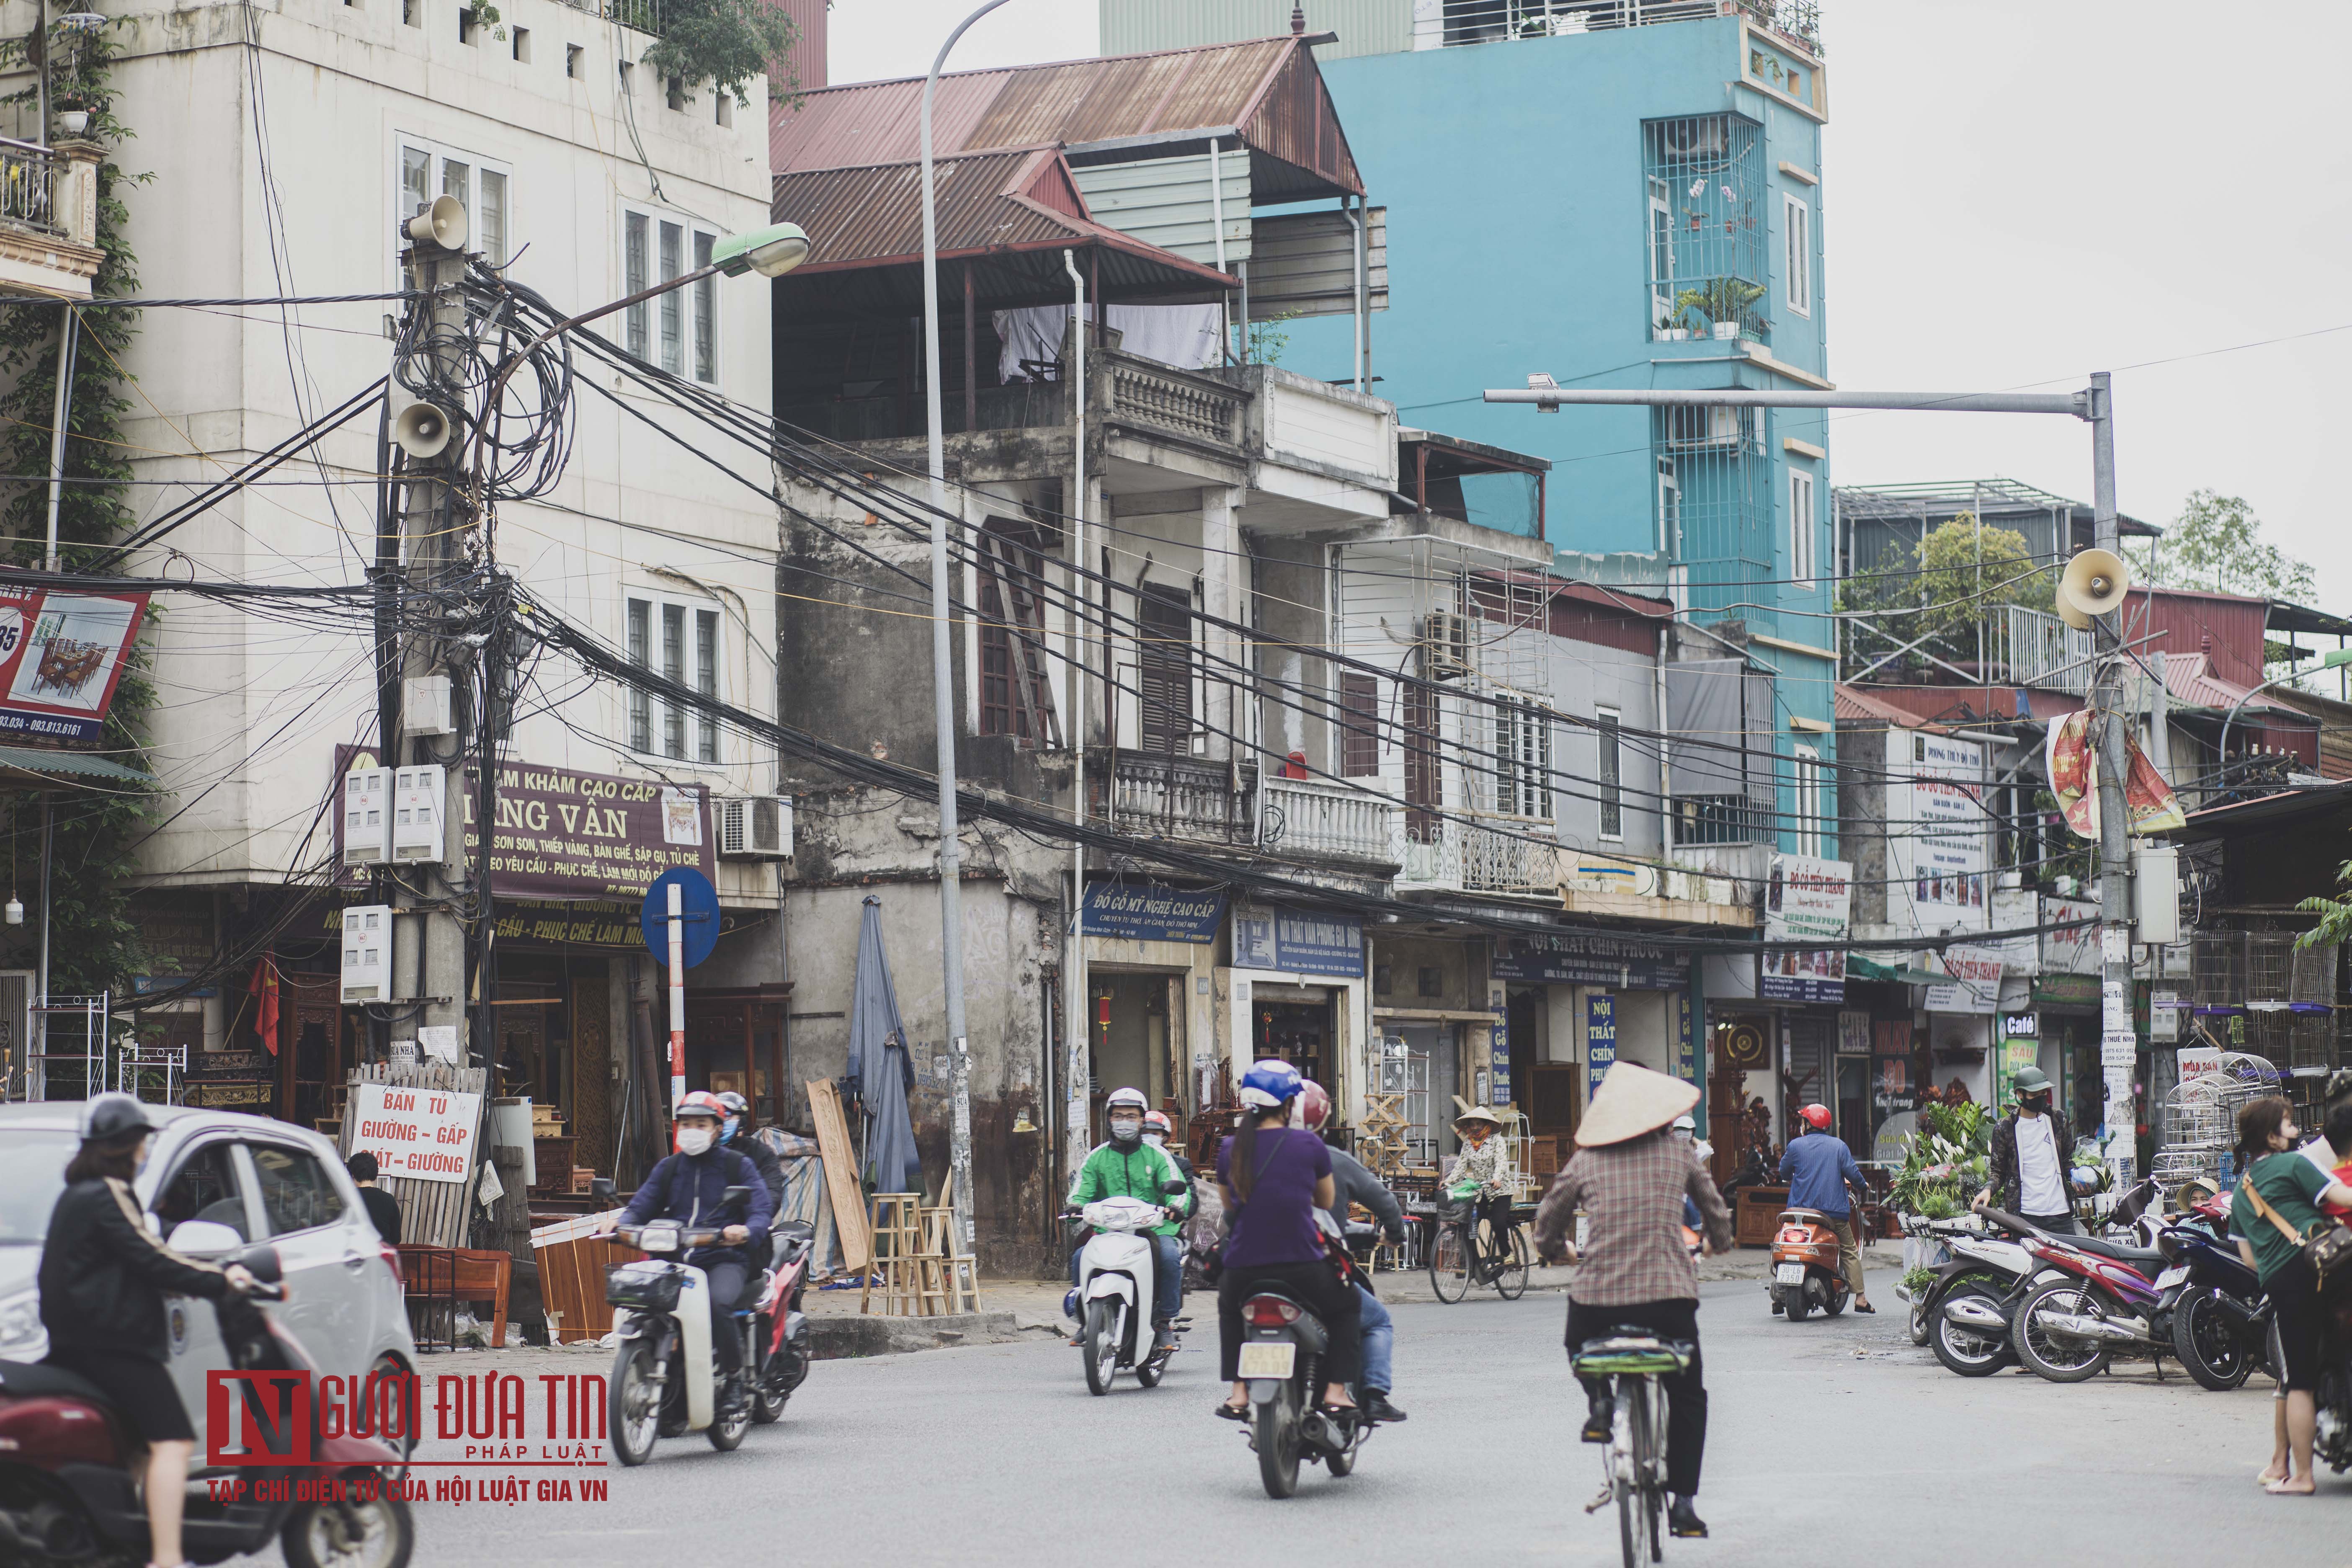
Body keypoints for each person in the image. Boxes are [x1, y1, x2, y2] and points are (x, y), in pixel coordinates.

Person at [38, 1094, 259, 1568]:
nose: (145, 1152)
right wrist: (221, 1279)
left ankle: (120, 1546)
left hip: (84, 1342)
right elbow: (152, 1257)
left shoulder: (79, 1194)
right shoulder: (107, 1193)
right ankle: (166, 1558)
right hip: (114, 1346)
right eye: (142, 1142)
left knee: (135, 1448)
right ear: (128, 1145)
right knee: (174, 1442)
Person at [1534, 1063, 1733, 1541]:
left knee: (1577, 1345)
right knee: (1688, 1394)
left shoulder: (1585, 1159)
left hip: (1598, 1302)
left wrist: (1559, 1252)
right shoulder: (1680, 1153)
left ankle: (1601, 1405)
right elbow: (1717, 1215)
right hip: (1669, 1300)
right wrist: (1713, 1243)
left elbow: (1546, 1225)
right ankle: (1683, 1503)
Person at [596, 1091, 774, 1413]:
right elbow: (641, 1206)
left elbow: (761, 1210)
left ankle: (735, 1379)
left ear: (717, 1128)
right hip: (674, 1259)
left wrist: (745, 1231)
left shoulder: (738, 1166)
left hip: (724, 1259)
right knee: (645, 1302)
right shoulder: (669, 1167)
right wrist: (620, 1222)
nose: (692, 1129)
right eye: (686, 1123)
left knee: (717, 1304)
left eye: (701, 1123)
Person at [1214, 1059, 1362, 1421]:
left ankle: (1238, 1392)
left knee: (1229, 1311)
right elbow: (1325, 1202)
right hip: (1302, 1266)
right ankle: (1336, 1391)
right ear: (1288, 1104)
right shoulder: (1308, 1145)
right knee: (1347, 1308)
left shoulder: (1230, 1148)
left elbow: (1229, 1205)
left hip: (1242, 1270)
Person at [2231, 1095, 2352, 1495]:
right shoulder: (2297, 1164)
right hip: (2327, 1269)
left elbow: (2249, 1258)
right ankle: (2297, 1473)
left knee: (2297, 1379)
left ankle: (2296, 1472)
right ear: (2271, 1135)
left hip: (2283, 1283)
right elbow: (2343, 1199)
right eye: (2289, 1124)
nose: (2297, 1131)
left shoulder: (2240, 1194)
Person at [1299, 1079, 1408, 1423]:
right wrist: (1393, 1233)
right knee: (1376, 1321)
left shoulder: (1253, 1157)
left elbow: (1231, 1217)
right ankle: (1374, 1395)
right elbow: (1384, 1202)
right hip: (1316, 1271)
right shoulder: (1332, 1159)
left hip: (1257, 1272)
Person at [1066, 1086, 1190, 1351]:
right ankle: (1086, 1319)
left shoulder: (1157, 1155)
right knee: (1079, 1258)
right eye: (1119, 1116)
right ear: (1110, 1119)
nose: (1125, 1121)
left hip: (1153, 1229)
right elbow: (1082, 1189)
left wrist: (1176, 1207)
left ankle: (1165, 1321)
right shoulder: (1097, 1157)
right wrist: (1075, 1206)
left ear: (1142, 1120)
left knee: (1169, 1257)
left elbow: (1177, 1185)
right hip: (1109, 1230)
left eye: (1131, 1116)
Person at [1779, 1103, 1873, 1314]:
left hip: (1799, 1215)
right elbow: (1853, 1174)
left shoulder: (1795, 1146)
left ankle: (1779, 1290)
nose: (1801, 1125)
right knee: (1849, 1250)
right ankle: (1861, 1298)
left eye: (1803, 1121)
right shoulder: (1839, 1146)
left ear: (1808, 1124)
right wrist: (1862, 1186)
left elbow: (1784, 1173)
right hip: (1833, 1216)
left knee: (1783, 1241)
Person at [1973, 1065, 2085, 1233]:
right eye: (2034, 1095)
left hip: (2060, 1214)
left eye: (2043, 1094)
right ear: (2020, 1095)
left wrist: (2079, 1177)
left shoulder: (2058, 1120)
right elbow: (1998, 1172)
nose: (2040, 1099)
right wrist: (1987, 1190)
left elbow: (2067, 1161)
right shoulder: (2005, 1128)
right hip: (2024, 1216)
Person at [1446, 1106, 1516, 1277]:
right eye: (1472, 1124)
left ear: (1486, 1124)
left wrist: (1497, 1178)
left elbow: (1501, 1162)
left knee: (1498, 1222)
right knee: (1467, 1224)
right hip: (1480, 1192)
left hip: (1500, 1191)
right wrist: (1448, 1181)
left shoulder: (1497, 1141)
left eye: (1479, 1124)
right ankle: (1474, 1265)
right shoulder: (1468, 1144)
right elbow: (1461, 1166)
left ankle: (1508, 1254)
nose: (1475, 1127)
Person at [714, 1091, 785, 1208]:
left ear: (742, 1121)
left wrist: (756, 1217)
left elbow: (772, 1196)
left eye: (727, 1116)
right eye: (718, 1117)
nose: (722, 1122)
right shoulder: (702, 1153)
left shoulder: (760, 1153)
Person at [347, 1150, 403, 1246]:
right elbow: (396, 1239)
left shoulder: (347, 1199)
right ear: (375, 1173)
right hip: (381, 1256)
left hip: (356, 1255)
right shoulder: (389, 1199)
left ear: (353, 1175)